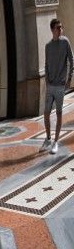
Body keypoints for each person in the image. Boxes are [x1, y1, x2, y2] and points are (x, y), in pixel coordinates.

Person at [43, 18, 72, 155]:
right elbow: (46, 65)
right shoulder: (48, 46)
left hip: (60, 85)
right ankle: (48, 138)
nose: (60, 30)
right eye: (58, 28)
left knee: (59, 113)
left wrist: (69, 80)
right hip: (50, 85)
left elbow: (72, 61)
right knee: (46, 113)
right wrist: (47, 80)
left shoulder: (65, 42)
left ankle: (55, 142)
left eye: (61, 27)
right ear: (52, 30)